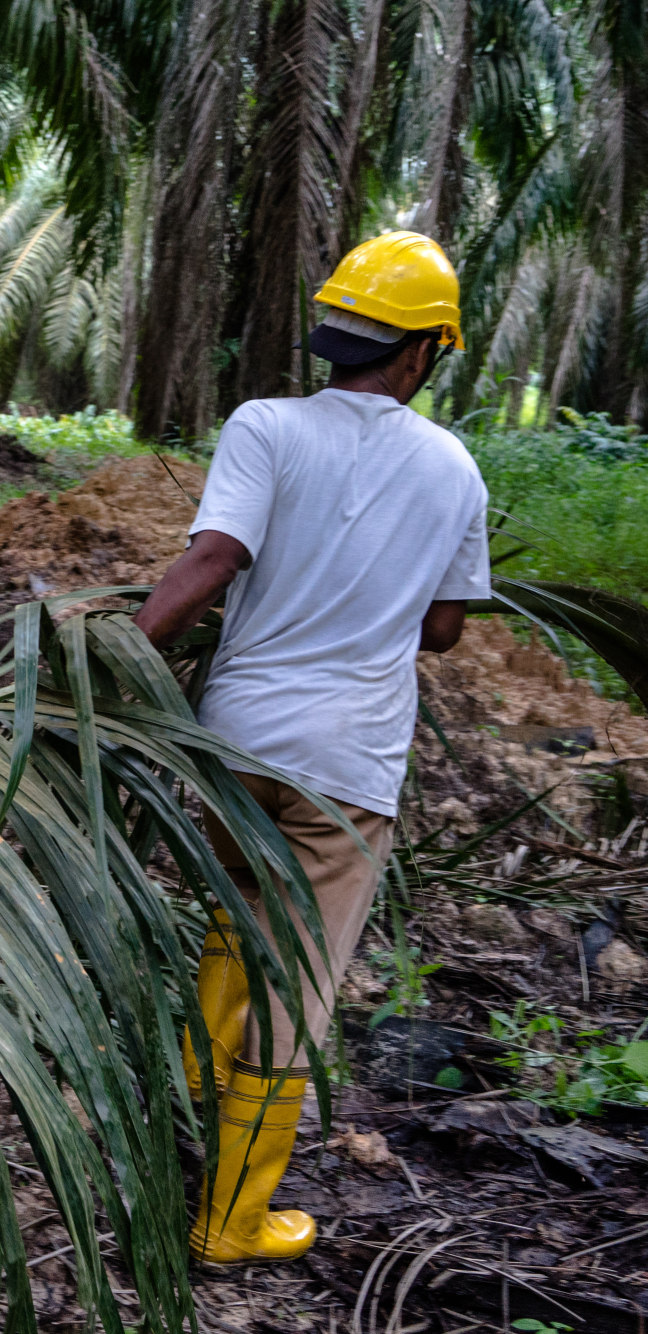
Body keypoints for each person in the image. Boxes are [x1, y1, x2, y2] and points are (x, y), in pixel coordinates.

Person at [132, 231, 490, 1265]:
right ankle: (231, 1219)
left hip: (233, 736)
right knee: (295, 981)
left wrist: (114, 650)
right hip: (348, 768)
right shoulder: (453, 468)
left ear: (335, 334)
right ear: (422, 352)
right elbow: (440, 631)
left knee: (231, 911)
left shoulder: (264, 424)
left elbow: (212, 558)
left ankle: (188, 1105)